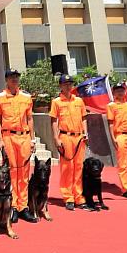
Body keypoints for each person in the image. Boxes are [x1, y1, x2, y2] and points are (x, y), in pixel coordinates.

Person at [0, 67, 37, 223]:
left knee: (24, 173)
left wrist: (33, 139)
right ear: (6, 80)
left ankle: (23, 206)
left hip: (24, 137)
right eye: (11, 77)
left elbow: (30, 119)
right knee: (10, 173)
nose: (14, 79)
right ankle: (13, 206)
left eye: (16, 76)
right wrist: (0, 139)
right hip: (8, 137)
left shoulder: (26, 97)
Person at [49, 74, 88, 211]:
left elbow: (84, 118)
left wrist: (85, 132)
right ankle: (68, 197)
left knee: (78, 167)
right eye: (65, 84)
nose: (68, 86)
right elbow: (54, 121)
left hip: (79, 137)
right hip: (65, 137)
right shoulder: (56, 102)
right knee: (67, 168)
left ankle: (79, 196)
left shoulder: (79, 101)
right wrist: (56, 138)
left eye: (70, 83)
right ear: (60, 86)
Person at [106, 82, 127, 199]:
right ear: (114, 93)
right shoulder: (111, 106)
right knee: (123, 163)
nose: (120, 92)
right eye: (117, 90)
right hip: (120, 136)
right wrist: (113, 138)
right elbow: (110, 124)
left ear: (125, 92)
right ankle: (126, 188)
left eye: (122, 90)